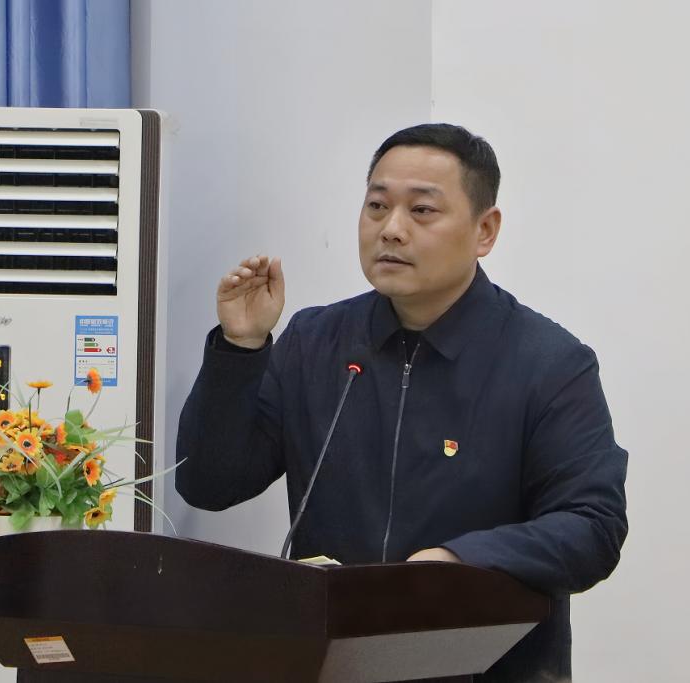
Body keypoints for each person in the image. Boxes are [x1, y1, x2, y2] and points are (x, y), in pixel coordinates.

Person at [176, 123, 628, 682]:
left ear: (485, 230)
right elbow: (209, 485)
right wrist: (241, 348)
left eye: (422, 211)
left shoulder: (549, 363)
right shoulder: (317, 341)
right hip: (331, 665)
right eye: (377, 206)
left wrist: (459, 561)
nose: (391, 229)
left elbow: (593, 526)